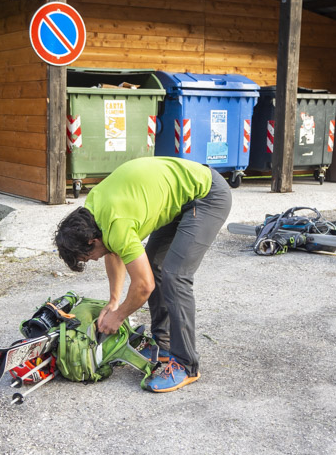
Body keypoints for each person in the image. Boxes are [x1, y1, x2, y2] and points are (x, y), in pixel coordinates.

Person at [54, 156, 232, 392]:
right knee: (155, 265)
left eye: (89, 256)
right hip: (180, 196)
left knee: (175, 276)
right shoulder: (93, 213)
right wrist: (114, 302)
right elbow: (113, 252)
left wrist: (119, 317)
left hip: (207, 195)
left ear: (91, 241)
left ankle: (186, 365)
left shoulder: (117, 224)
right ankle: (164, 346)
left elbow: (143, 286)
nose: (94, 259)